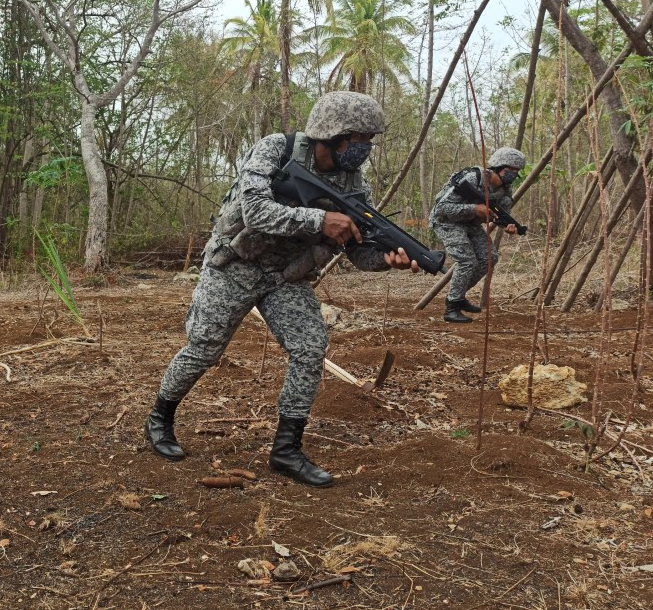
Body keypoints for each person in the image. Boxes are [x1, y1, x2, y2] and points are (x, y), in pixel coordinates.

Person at [143, 91, 420, 488]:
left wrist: (389, 260)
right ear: (333, 134)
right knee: (204, 348)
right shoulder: (276, 149)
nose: (366, 148)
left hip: (284, 277)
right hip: (234, 266)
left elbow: (359, 253)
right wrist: (320, 220)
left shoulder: (353, 181)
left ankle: (286, 450)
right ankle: (160, 418)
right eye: (360, 138)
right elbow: (254, 209)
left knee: (310, 347)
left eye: (369, 140)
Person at [429, 147, 525, 323]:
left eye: (516, 171)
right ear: (497, 166)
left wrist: (509, 226)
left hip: (469, 223)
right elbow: (442, 208)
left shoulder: (506, 189)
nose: (513, 174)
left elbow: (500, 214)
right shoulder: (474, 178)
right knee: (467, 260)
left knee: (490, 257)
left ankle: (457, 297)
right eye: (510, 170)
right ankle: (452, 308)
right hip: (446, 221)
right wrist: (474, 209)